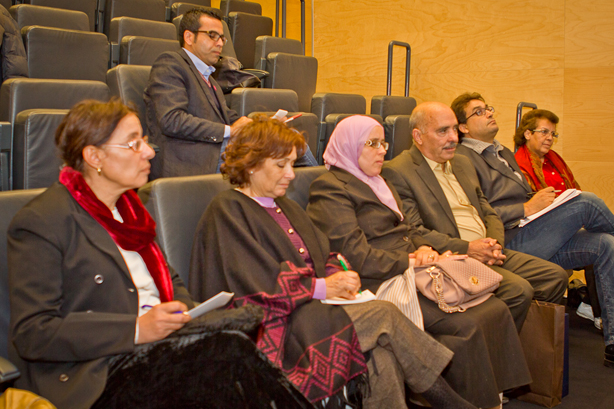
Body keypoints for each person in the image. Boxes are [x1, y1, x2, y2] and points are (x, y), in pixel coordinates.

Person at [7, 99, 314, 409]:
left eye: (144, 140)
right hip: (96, 372)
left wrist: (185, 313)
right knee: (227, 352)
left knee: (237, 336)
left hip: (161, 349)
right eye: (134, 143)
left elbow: (171, 280)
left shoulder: (131, 211)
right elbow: (34, 333)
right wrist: (136, 329)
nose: (149, 151)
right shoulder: (44, 221)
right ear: (94, 156)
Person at [189, 116, 477, 409]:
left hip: (311, 312)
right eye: (281, 165)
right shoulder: (227, 210)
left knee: (381, 354)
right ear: (251, 164)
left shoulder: (286, 206)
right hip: (271, 328)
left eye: (292, 164)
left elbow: (324, 253)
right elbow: (254, 284)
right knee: (384, 315)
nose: (291, 175)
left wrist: (341, 275)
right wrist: (323, 287)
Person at [306, 115, 532, 408]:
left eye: (383, 143)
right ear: (350, 146)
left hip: (412, 269)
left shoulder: (378, 181)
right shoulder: (329, 188)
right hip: (378, 280)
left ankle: (491, 396)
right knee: (467, 323)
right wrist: (410, 260)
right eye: (372, 143)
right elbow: (355, 255)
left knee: (495, 308)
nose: (382, 150)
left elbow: (407, 230)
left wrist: (424, 249)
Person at [452, 92, 614, 379]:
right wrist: (527, 208)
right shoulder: (462, 158)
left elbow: (522, 195)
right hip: (508, 241)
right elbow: (475, 214)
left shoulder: (502, 152)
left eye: (488, 108)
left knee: (606, 243)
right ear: (463, 127)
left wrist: (545, 205)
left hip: (531, 229)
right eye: (478, 112)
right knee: (587, 202)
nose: (489, 113)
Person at [381, 102, 567, 331]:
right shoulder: (399, 171)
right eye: (443, 131)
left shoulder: (461, 162)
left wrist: (493, 244)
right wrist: (469, 249)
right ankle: (495, 347)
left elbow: (487, 210)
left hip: (487, 248)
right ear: (418, 136)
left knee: (554, 277)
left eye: (454, 129)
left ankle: (516, 340)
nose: (453, 138)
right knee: (518, 290)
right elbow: (415, 231)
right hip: (452, 256)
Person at [144, 7, 316, 180]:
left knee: (287, 138)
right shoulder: (170, 64)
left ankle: (314, 188)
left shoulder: (209, 78)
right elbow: (172, 120)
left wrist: (263, 126)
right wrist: (230, 131)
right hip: (190, 158)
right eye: (212, 35)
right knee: (274, 147)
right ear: (189, 37)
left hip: (216, 149)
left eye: (222, 38)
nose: (219, 43)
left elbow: (228, 117)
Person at [512, 108, 578, 193]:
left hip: (570, 201)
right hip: (543, 202)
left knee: (589, 197)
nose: (550, 138)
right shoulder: (518, 165)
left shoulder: (555, 158)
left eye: (553, 134)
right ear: (528, 134)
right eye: (544, 132)